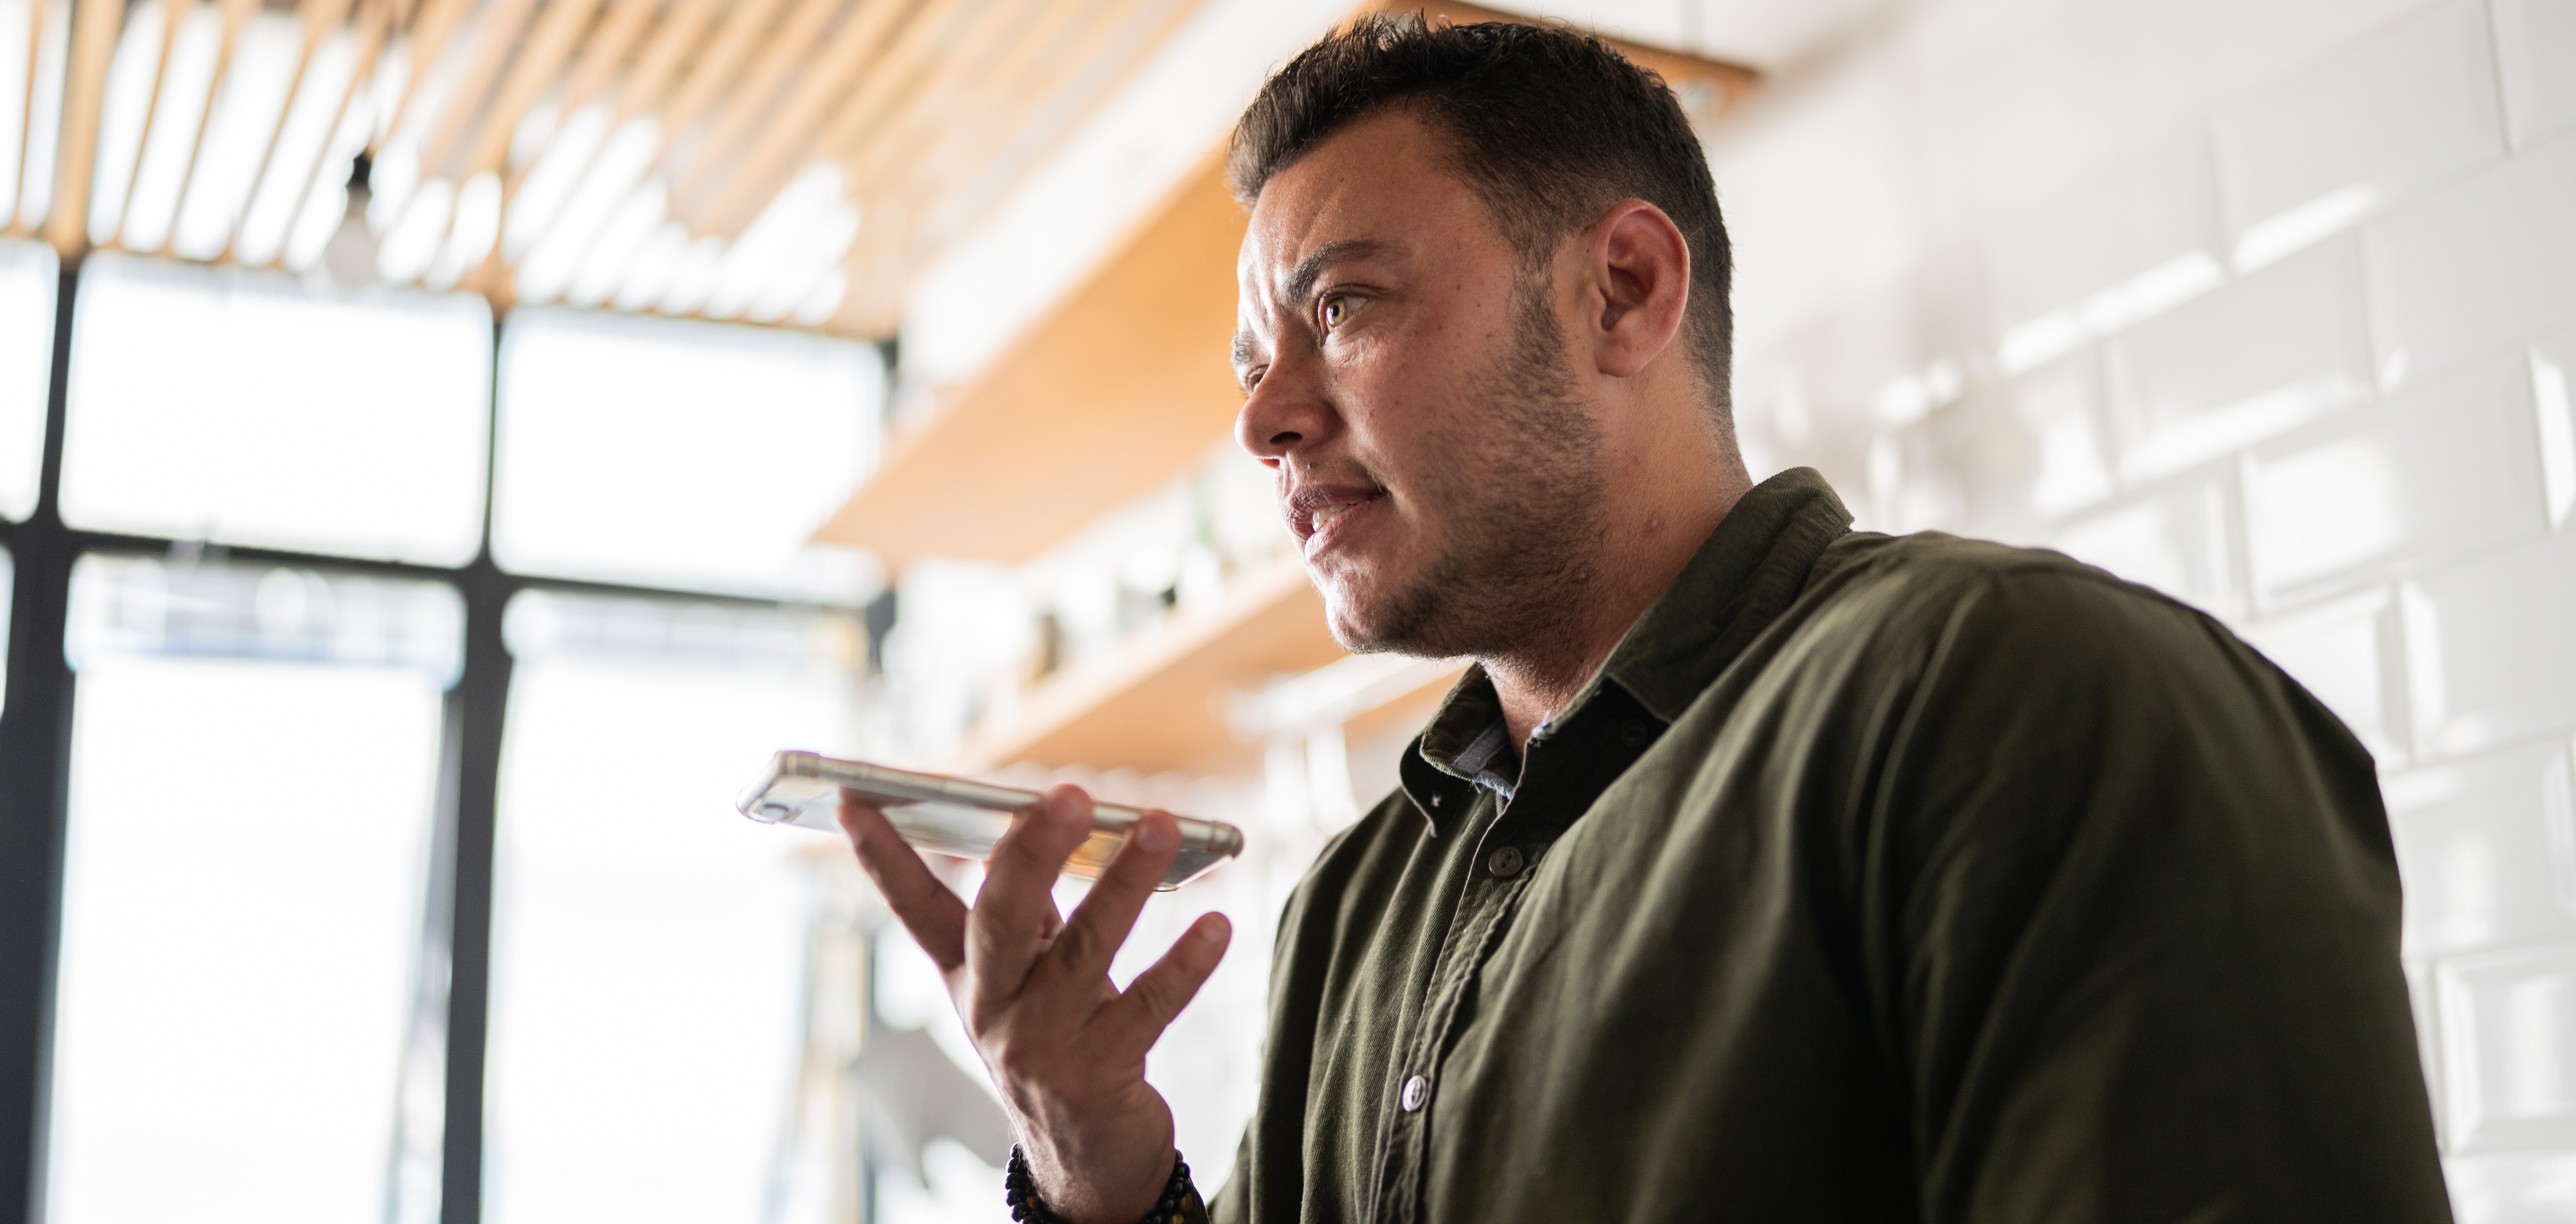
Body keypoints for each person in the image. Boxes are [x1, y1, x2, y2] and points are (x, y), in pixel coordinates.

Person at [840, 15, 2452, 1224]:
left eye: (1343, 307)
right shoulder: (1359, 906)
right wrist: (1096, 1169)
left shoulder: (2015, 697)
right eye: (1252, 360)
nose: (1266, 419)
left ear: (1625, 289)